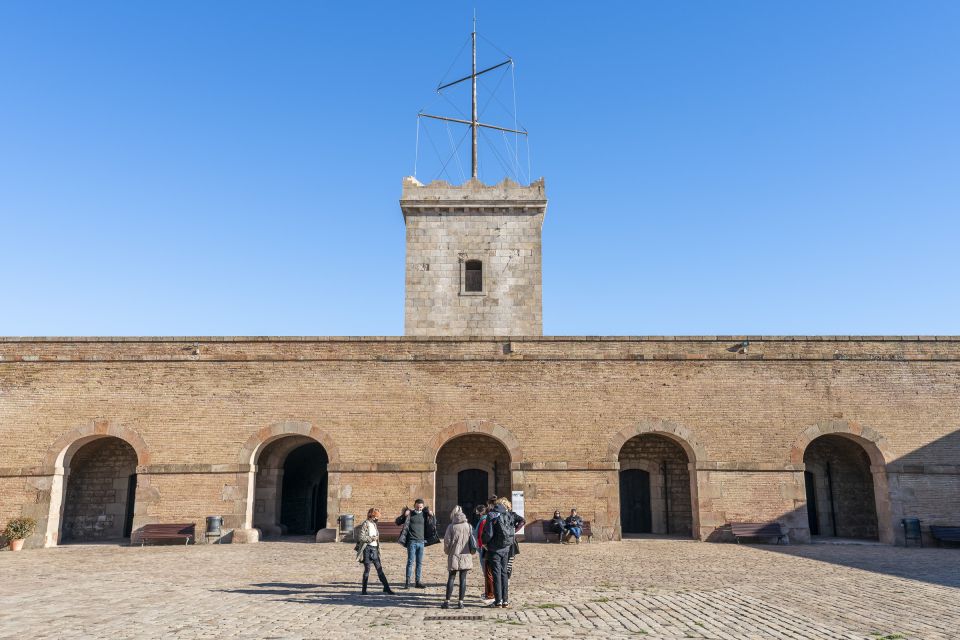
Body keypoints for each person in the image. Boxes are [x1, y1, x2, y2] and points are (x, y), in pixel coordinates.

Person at [395, 498, 438, 588]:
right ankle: (408, 582)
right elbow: (397, 522)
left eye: (421, 507)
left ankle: (418, 582)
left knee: (419, 563)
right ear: (414, 505)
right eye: (418, 507)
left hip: (421, 542)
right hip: (412, 542)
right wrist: (403, 515)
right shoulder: (409, 514)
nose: (419, 509)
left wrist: (432, 515)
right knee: (410, 562)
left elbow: (434, 524)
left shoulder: (425, 514)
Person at [481, 495, 515, 608]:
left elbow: (489, 533)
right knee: (504, 573)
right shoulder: (508, 513)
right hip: (506, 547)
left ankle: (498, 601)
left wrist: (484, 542)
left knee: (496, 573)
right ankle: (505, 601)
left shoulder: (492, 514)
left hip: (494, 548)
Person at [441, 505, 475, 609]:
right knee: (463, 579)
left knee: (451, 578)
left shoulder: (451, 527)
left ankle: (447, 601)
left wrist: (448, 552)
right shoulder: (468, 526)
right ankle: (461, 602)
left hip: (454, 554)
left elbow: (447, 542)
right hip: (466, 554)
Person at [355, 508, 395, 595]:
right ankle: (364, 590)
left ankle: (387, 588)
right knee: (367, 570)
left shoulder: (374, 524)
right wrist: (372, 538)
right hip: (367, 549)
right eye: (376, 517)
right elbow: (361, 537)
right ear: (371, 516)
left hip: (375, 549)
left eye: (377, 517)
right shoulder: (365, 524)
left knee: (379, 569)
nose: (377, 519)